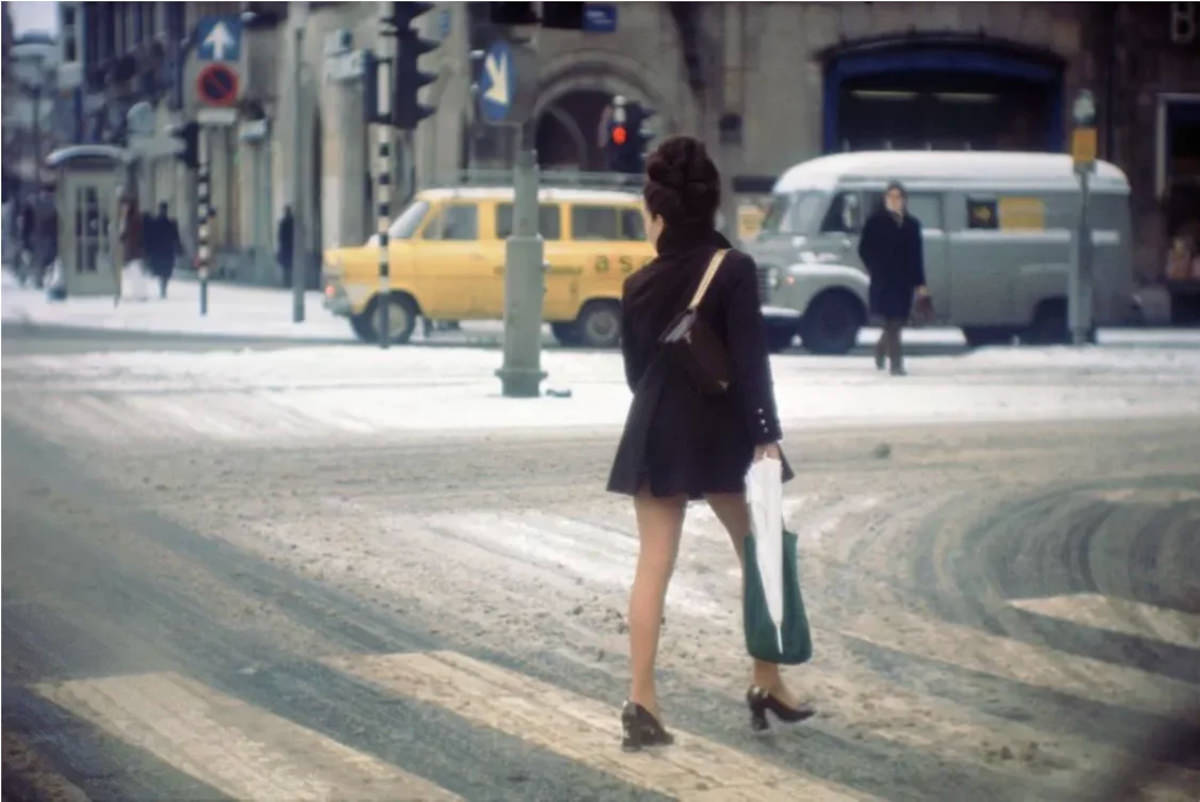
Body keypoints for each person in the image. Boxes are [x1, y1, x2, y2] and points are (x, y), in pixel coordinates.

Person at [607, 136, 813, 751]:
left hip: (655, 429)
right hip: (724, 430)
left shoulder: (637, 284)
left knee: (654, 563)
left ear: (662, 216)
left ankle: (641, 700)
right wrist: (766, 438)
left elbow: (634, 374)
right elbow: (753, 363)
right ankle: (767, 679)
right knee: (759, 549)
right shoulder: (735, 270)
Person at [858, 181, 928, 376]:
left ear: (904, 200)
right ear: (885, 199)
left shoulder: (912, 225)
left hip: (904, 282)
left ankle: (880, 348)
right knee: (893, 322)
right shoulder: (875, 221)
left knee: (896, 321)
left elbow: (916, 256)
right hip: (883, 280)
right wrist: (875, 267)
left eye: (898, 197)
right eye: (890, 197)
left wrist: (921, 284)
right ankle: (896, 364)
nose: (894, 201)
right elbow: (864, 249)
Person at [145, 202, 184, 299]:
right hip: (163, 250)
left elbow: (175, 237)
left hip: (163, 250)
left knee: (164, 271)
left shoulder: (167, 223)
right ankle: (163, 288)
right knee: (164, 271)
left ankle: (163, 288)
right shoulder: (167, 223)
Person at [277, 206, 294, 288]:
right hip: (291, 247)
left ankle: (286, 283)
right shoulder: (292, 222)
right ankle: (288, 283)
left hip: (286, 247)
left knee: (286, 267)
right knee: (289, 267)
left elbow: (280, 236)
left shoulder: (284, 222)